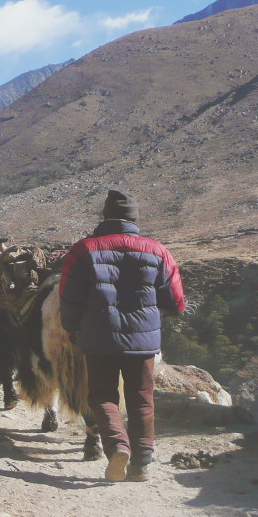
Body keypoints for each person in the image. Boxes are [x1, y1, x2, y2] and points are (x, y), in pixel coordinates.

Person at [59, 189, 186, 482]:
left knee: (103, 397)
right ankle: (141, 465)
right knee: (142, 398)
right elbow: (176, 301)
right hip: (143, 342)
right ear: (134, 218)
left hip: (98, 339)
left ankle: (118, 447)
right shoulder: (157, 251)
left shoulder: (83, 250)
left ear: (105, 215)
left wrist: (71, 328)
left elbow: (69, 299)